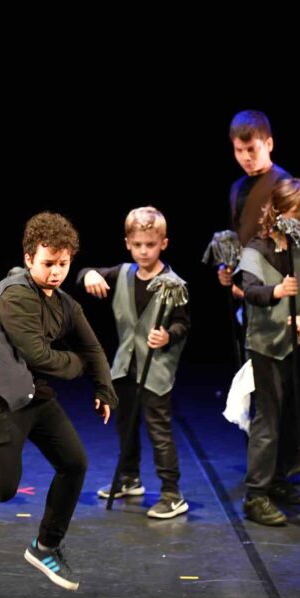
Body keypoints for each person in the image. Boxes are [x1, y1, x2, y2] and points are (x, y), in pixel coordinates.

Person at [0, 211, 116, 591]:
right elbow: (41, 355)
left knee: (74, 463)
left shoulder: (64, 304)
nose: (56, 272)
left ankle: (46, 547)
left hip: (31, 394)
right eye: (47, 264)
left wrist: (104, 389)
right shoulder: (15, 298)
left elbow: (91, 347)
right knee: (0, 489)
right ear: (29, 259)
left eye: (63, 264)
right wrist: (77, 367)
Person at [77, 206, 189, 519]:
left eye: (150, 245)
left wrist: (168, 335)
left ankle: (172, 492)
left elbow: (183, 324)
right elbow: (84, 272)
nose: (143, 251)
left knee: (158, 430)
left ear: (163, 244)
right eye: (137, 244)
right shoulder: (123, 273)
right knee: (125, 425)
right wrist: (90, 275)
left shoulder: (174, 284)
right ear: (128, 243)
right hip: (125, 366)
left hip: (155, 369)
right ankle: (129, 478)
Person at [233, 178, 300, 526]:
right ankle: (256, 495)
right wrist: (277, 290)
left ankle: (279, 480)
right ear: (277, 213)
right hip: (266, 345)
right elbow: (250, 289)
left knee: (295, 416)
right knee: (267, 418)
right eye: (298, 218)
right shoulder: (256, 249)